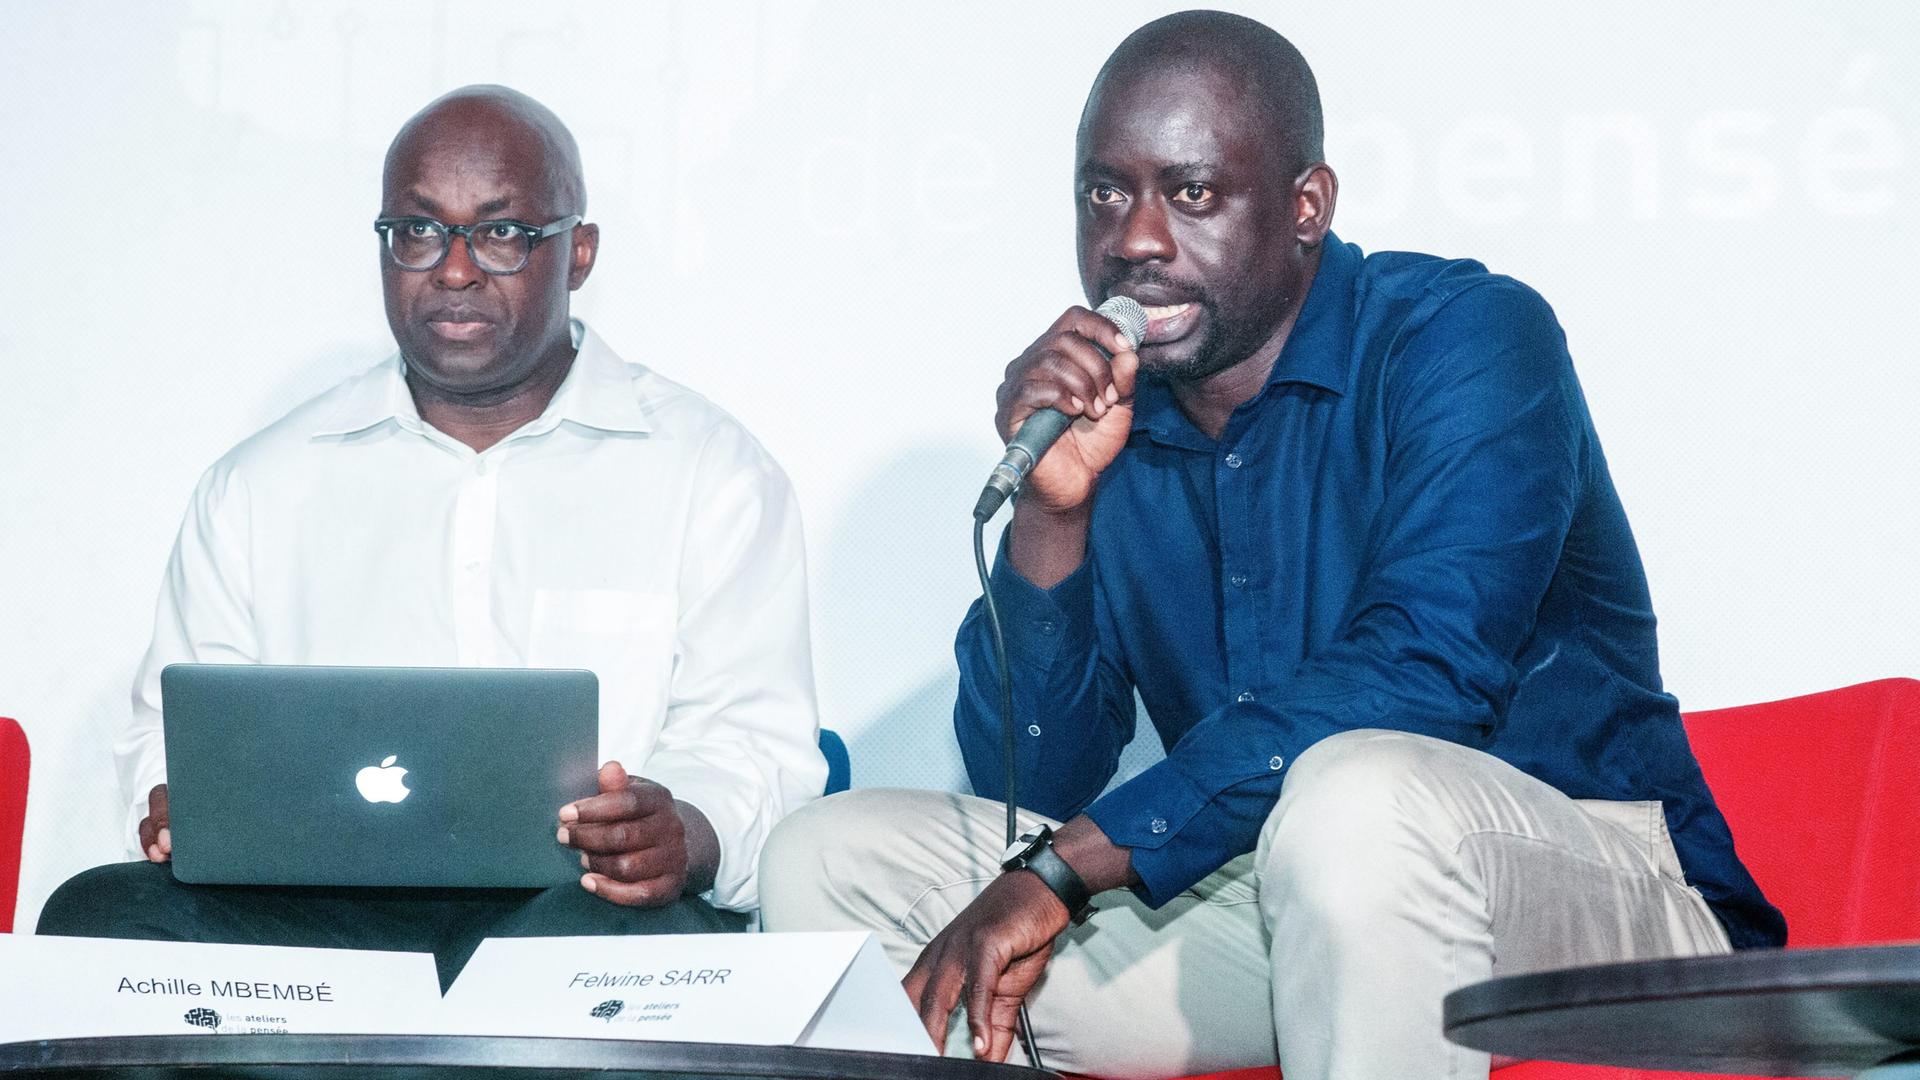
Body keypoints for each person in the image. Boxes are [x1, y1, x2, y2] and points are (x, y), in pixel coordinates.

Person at [758, 12, 1783, 1079]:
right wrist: (1053, 514)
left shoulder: (1466, 339)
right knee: (827, 861)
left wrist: (1066, 872)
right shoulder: (1117, 422)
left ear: (1307, 207)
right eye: (1105, 193)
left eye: (1191, 192)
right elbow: (1043, 772)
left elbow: (1425, 672)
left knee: (1354, 802)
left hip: (1595, 896)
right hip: (1282, 892)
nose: (1137, 240)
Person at [37, 86, 825, 986]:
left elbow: (757, 749)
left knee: (627, 949)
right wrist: (183, 799)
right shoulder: (261, 485)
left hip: (579, 914)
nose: (453, 270)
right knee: (99, 917)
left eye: (502, 234)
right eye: (417, 231)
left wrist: (681, 831)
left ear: (582, 252)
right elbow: (169, 730)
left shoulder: (710, 471)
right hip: (314, 924)